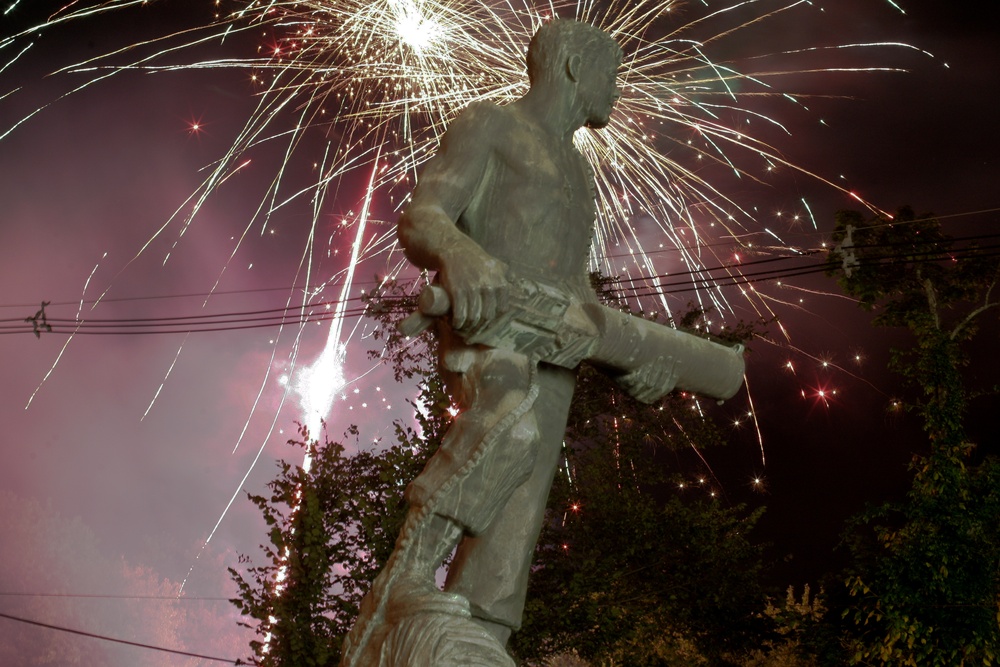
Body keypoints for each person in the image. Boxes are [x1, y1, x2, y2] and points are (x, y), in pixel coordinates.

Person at [342, 19, 677, 665]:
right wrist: (461, 253)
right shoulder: (490, 124)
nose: (616, 89)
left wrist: (636, 364)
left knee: (518, 520)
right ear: (575, 66)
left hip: (558, 349)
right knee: (508, 425)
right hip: (491, 330)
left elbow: (579, 291)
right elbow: (425, 214)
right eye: (610, 73)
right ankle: (411, 571)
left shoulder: (579, 173)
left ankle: (482, 641)